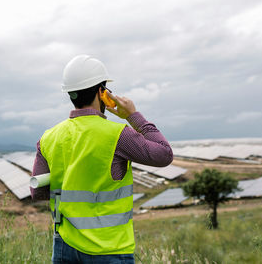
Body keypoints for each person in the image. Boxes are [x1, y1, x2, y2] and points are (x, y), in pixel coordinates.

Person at [31, 55, 173, 264]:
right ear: (102, 92)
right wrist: (133, 115)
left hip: (64, 246)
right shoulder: (118, 134)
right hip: (109, 248)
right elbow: (164, 154)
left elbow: (38, 192)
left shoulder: (48, 137)